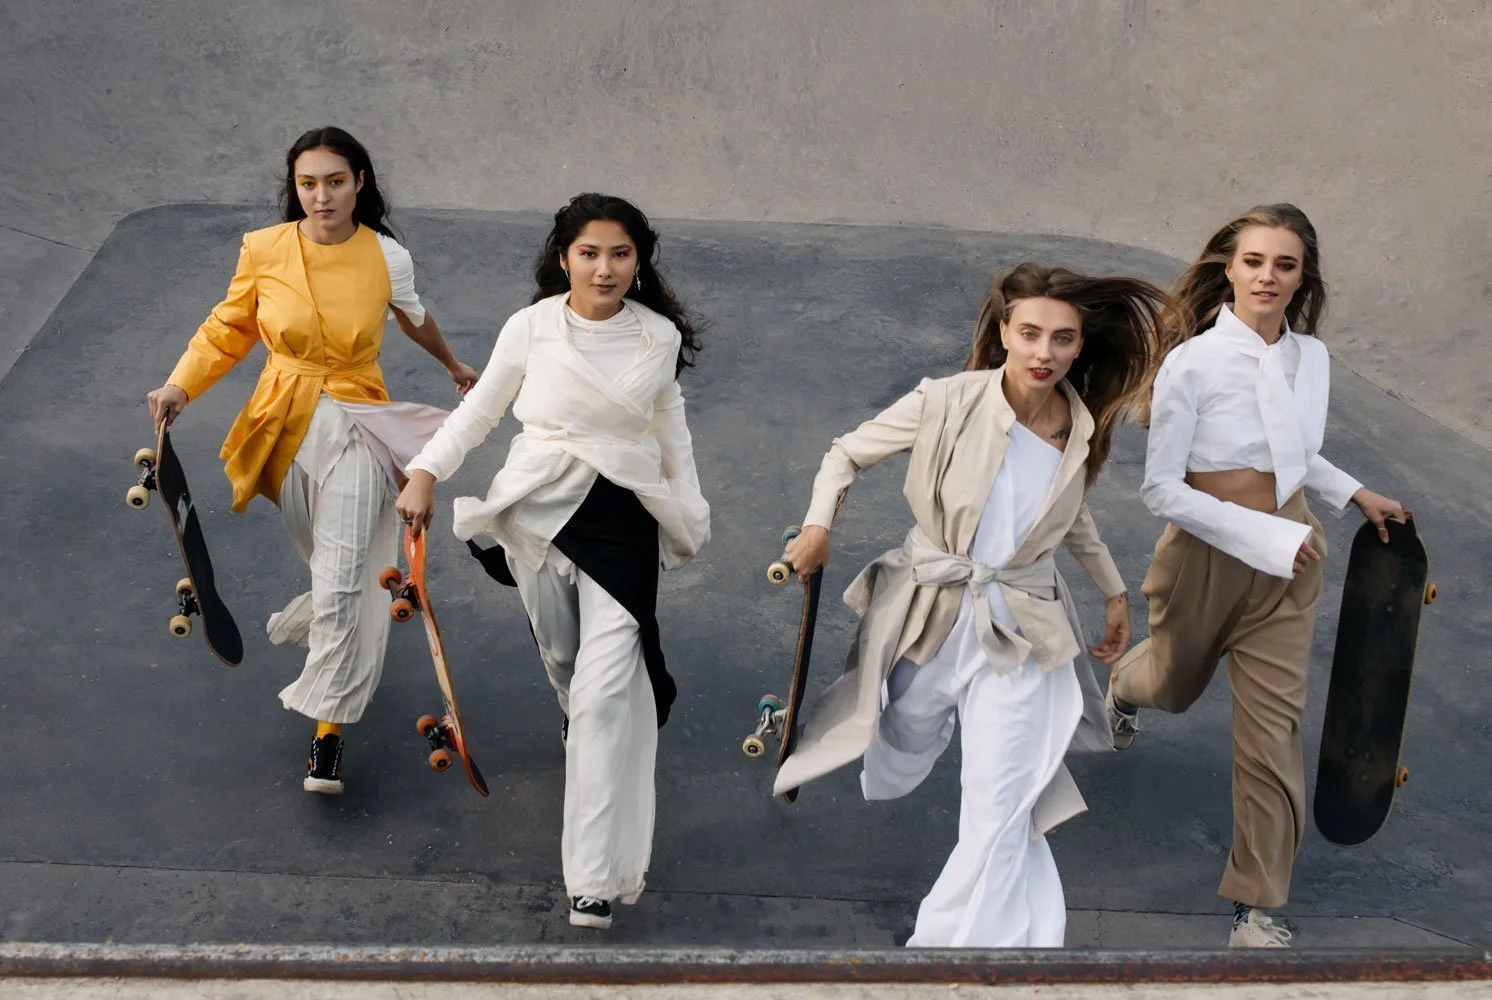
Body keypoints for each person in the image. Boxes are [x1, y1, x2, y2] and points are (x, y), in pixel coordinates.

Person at [776, 263, 1163, 947]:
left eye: (1063, 339)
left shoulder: (1078, 425)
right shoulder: (946, 400)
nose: (1045, 353)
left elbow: (1068, 515)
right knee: (904, 734)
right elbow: (846, 454)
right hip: (932, 609)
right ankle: (1003, 933)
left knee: (1002, 801)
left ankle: (954, 949)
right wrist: (816, 527)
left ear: (1080, 345)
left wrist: (1113, 589)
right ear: (1004, 332)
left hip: (1023, 626)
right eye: (1031, 333)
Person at [395, 193, 710, 930]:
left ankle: (592, 880)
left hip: (624, 520)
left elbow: (671, 429)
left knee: (605, 693)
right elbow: (480, 411)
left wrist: (688, 510)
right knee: (567, 666)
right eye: (590, 253)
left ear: (640, 260)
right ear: (564, 258)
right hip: (538, 512)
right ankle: (576, 718)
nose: (605, 269)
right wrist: (425, 471)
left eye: (621, 254)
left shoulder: (657, 336)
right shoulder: (531, 326)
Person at [1105, 203, 1407, 947]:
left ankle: (1254, 905)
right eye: (1254, 262)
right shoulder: (1193, 363)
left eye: (1285, 265)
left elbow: (1295, 451)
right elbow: (1161, 490)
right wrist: (1264, 536)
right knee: (1172, 684)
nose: (1268, 276)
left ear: (1303, 278)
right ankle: (1123, 688)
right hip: (1206, 554)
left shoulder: (1312, 359)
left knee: (1273, 733)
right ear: (1230, 270)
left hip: (1290, 560)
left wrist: (1353, 493)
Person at [145, 126, 477, 795]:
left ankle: (328, 734)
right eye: (308, 183)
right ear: (294, 187)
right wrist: (182, 384)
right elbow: (228, 327)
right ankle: (319, 616)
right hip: (282, 425)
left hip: (357, 420)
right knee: (336, 573)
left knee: (347, 572)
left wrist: (451, 363)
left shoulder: (385, 255)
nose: (321, 195)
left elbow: (411, 316)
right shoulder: (264, 249)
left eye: (335, 182)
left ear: (359, 183)